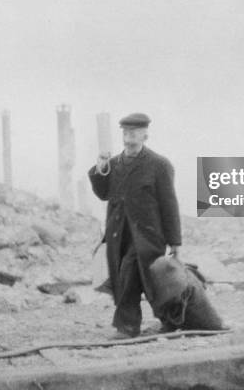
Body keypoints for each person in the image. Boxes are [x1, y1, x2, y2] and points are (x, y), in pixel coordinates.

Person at [88, 112, 182, 338]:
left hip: (148, 236)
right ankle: (170, 321)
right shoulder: (113, 164)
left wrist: (175, 242)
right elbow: (103, 194)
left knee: (144, 278)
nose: (129, 136)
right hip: (118, 235)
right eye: (126, 132)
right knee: (126, 278)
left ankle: (127, 327)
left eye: (135, 132)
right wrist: (100, 169)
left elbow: (169, 205)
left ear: (145, 135)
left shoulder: (158, 165)